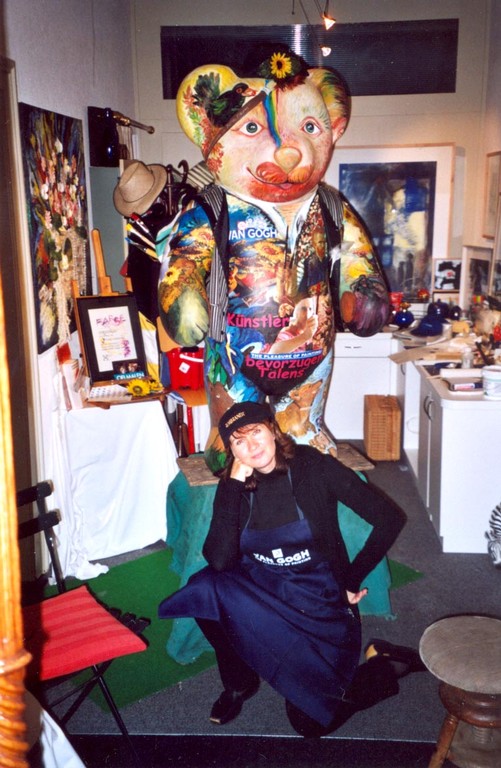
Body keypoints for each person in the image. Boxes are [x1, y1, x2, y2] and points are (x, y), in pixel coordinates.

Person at [158, 401, 424, 737]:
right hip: (264, 590)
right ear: (232, 451)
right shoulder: (236, 484)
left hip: (318, 600)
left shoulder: (313, 468)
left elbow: (389, 519)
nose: (251, 446)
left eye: (256, 432)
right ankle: (240, 682)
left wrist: (350, 579)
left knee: (309, 722)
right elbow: (220, 560)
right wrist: (231, 487)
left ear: (272, 429)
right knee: (204, 588)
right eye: (239, 441)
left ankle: (385, 664)